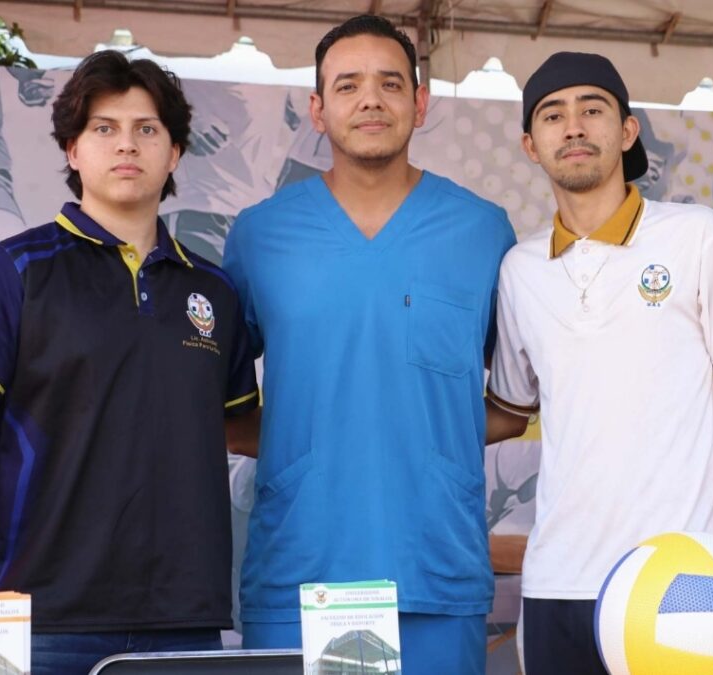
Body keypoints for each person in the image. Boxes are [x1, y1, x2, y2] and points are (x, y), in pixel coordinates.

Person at [0, 50, 259, 675]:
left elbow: (242, 430)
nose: (126, 144)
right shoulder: (13, 270)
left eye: (147, 129)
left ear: (175, 153)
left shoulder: (215, 290)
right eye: (104, 128)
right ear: (73, 150)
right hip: (43, 625)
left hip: (186, 625)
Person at [222, 14, 516, 674]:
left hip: (435, 568)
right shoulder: (261, 235)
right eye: (348, 85)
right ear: (318, 110)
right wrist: (311, 442)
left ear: (421, 102)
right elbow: (226, 411)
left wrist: (431, 440)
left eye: (390, 83)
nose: (371, 100)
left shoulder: (481, 232)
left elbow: (516, 401)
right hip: (299, 569)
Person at [484, 51, 713, 674]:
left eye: (592, 110)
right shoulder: (519, 270)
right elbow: (508, 412)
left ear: (626, 130)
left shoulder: (696, 234)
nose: (573, 127)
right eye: (552, 115)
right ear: (530, 146)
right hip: (555, 581)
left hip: (677, 581)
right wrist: (400, 423)